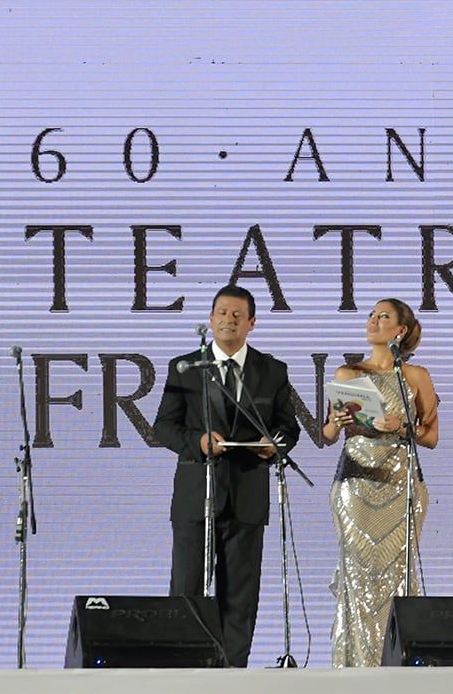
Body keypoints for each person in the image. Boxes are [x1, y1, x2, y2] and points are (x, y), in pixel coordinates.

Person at [153, 284, 300, 667]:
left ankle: (233, 673)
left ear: (252, 322)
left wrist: (274, 445)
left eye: (237, 315)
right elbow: (163, 427)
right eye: (221, 313)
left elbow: (289, 428)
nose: (228, 321)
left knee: (240, 597)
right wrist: (199, 441)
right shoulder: (185, 368)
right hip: (196, 496)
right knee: (186, 590)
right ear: (210, 319)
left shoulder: (272, 371)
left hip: (247, 496)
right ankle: (182, 672)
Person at [322, 298, 439, 667]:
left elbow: (431, 436)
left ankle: (399, 663)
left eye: (383, 316)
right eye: (371, 315)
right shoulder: (347, 373)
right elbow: (327, 435)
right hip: (356, 483)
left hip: (401, 485)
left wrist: (401, 426)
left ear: (400, 330)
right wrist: (336, 423)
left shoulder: (415, 376)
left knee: (398, 574)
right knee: (357, 575)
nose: (373, 321)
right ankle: (352, 665)